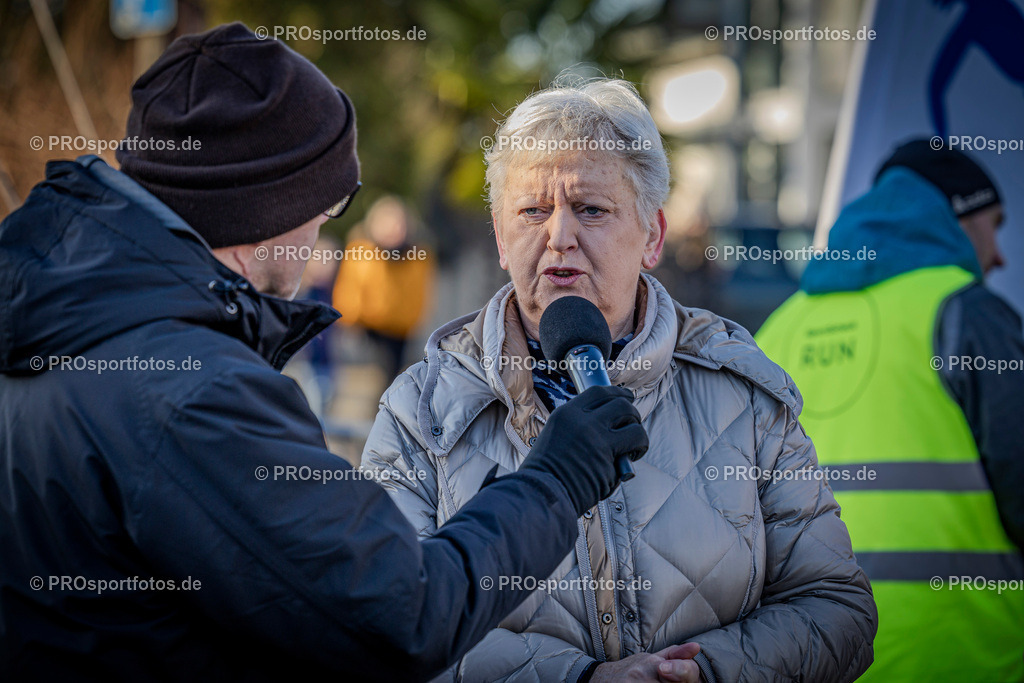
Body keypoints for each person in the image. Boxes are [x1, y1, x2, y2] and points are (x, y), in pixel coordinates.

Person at [0, 24, 650, 681]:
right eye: (328, 202)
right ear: (267, 207)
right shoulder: (193, 390)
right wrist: (556, 479)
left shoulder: (61, 315)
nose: (321, 231)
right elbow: (403, 613)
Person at [361, 77, 877, 683]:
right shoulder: (420, 410)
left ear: (653, 236)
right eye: (532, 211)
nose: (559, 237)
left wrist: (701, 672)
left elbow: (837, 609)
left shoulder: (741, 393)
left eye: (590, 209)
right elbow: (382, 627)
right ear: (501, 239)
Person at [757, 139, 1024, 681]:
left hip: (814, 657)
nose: (999, 254)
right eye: (994, 224)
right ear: (958, 218)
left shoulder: (776, 329)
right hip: (959, 653)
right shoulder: (966, 311)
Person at [333, 196, 435, 382]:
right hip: (366, 329)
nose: (393, 229)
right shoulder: (360, 251)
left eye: (398, 223)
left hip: (400, 331)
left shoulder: (417, 256)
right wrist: (349, 321)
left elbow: (418, 297)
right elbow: (349, 290)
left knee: (392, 380)